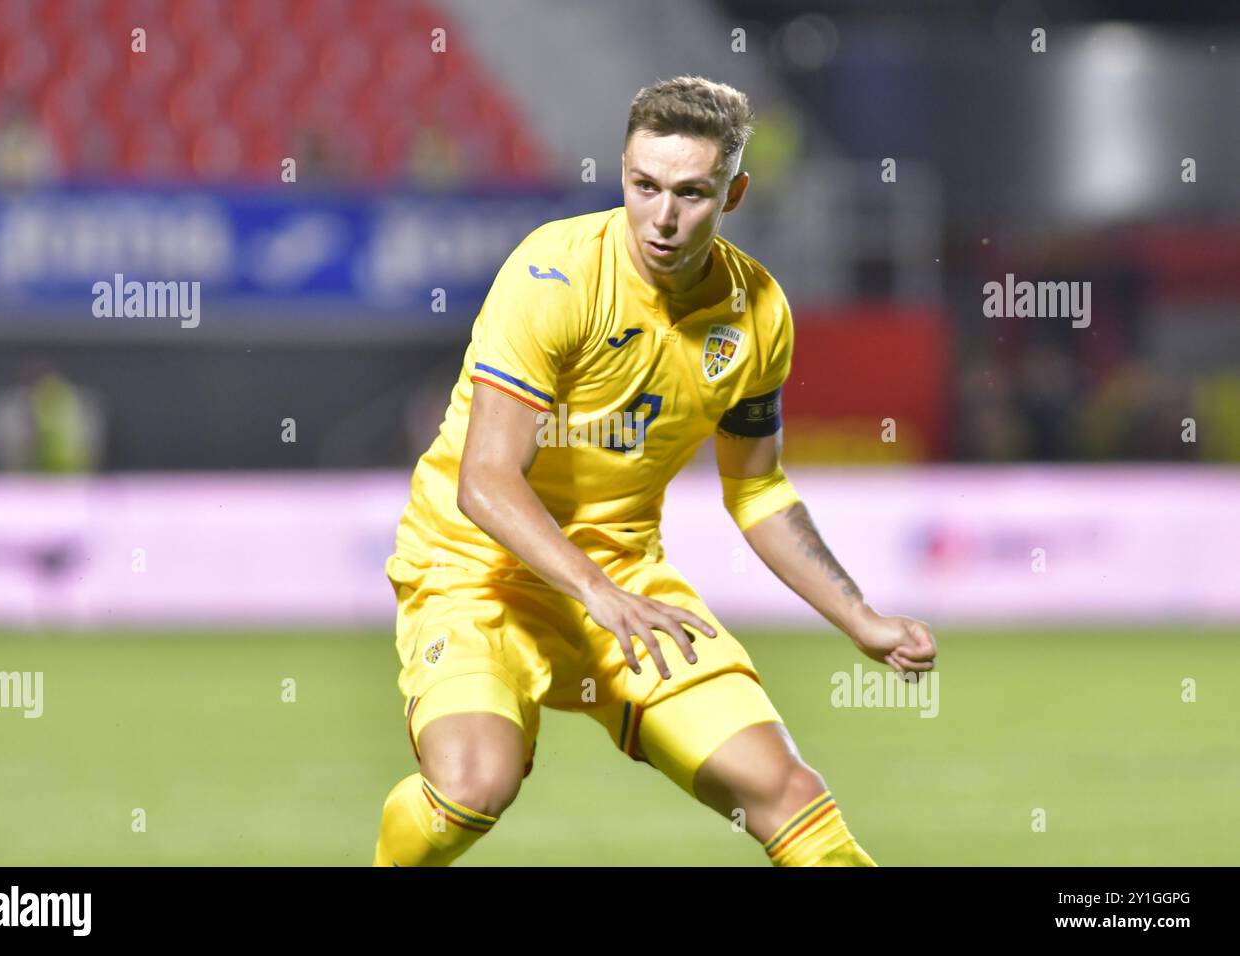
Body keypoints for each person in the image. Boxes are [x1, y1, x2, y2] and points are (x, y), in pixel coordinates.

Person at [376, 75, 937, 867]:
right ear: (623, 173)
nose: (663, 217)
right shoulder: (555, 275)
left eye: (691, 193)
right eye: (644, 186)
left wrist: (860, 618)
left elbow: (758, 488)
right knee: (474, 786)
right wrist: (598, 595)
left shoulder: (758, 313)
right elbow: (487, 482)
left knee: (788, 792)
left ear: (734, 193)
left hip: (624, 580)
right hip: (476, 573)